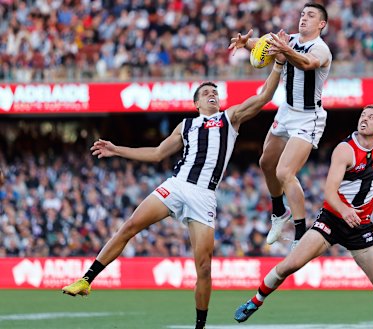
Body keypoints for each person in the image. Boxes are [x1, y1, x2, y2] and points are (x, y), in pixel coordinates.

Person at [61, 61, 284, 329]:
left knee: (203, 267)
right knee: (130, 226)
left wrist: (279, 65)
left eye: (215, 91)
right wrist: (117, 149)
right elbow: (157, 153)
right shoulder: (186, 125)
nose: (212, 93)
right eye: (206, 92)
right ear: (197, 103)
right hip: (177, 185)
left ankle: (199, 326)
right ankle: (86, 280)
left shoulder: (229, 118)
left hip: (203, 195)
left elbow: (264, 97)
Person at [234, 105, 373, 329]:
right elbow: (329, 191)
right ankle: (255, 301)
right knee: (291, 265)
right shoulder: (345, 150)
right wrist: (345, 210)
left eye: (371, 117)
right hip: (332, 220)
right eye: (363, 115)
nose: (364, 119)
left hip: (361, 227)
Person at [229, 2, 332, 247]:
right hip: (286, 111)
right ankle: (279, 212)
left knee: (285, 172)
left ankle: (300, 235)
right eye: (302, 14)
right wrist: (247, 43)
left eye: (311, 15)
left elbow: (306, 63)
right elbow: (261, 46)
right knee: (266, 162)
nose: (303, 18)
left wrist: (285, 51)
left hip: (308, 116)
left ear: (322, 24)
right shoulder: (289, 39)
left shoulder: (321, 49)